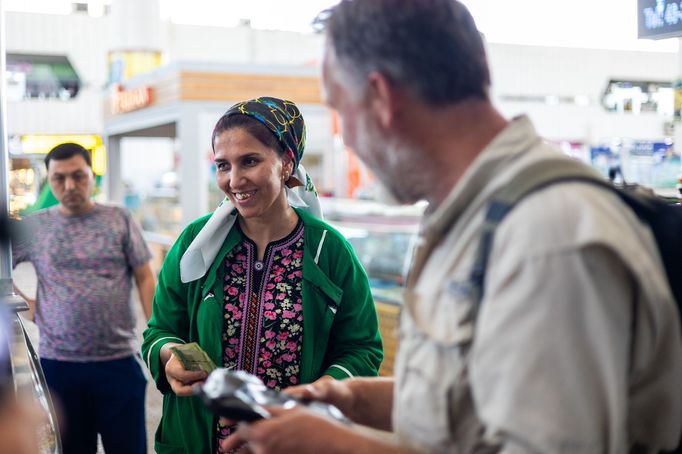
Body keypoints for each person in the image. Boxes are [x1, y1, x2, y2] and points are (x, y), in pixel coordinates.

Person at [219, 1, 682, 453]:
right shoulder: (468, 218)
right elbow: (475, 399)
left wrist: (337, 446)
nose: (351, 140)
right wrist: (352, 400)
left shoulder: (548, 237)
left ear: (381, 98)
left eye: (342, 110)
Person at [141, 96, 383, 453]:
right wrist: (171, 356)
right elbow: (159, 330)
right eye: (223, 165)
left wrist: (312, 403)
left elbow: (361, 349)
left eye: (249, 161)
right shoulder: (196, 244)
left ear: (286, 163)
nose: (234, 179)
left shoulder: (328, 250)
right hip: (194, 440)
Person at [12, 142, 156, 454]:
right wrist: (28, 307)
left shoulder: (119, 218)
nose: (69, 186)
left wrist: (155, 334)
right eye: (59, 178)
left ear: (93, 176)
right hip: (59, 365)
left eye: (78, 176)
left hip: (118, 362)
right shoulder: (36, 225)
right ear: (48, 180)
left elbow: (145, 276)